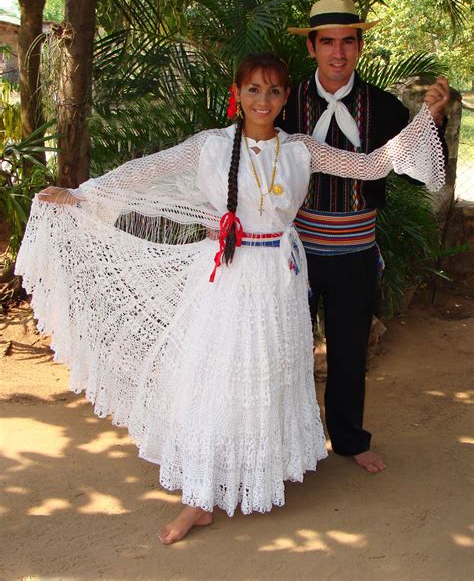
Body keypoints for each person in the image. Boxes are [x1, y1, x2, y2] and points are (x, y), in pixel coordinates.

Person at [16, 53, 446, 545]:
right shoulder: (211, 147)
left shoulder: (303, 148)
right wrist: (81, 194)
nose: (264, 101)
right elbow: (146, 171)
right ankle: (198, 499)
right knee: (214, 375)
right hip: (226, 275)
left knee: (269, 370)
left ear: (287, 99)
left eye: (275, 91)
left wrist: (425, 121)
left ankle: (254, 469)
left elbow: (371, 166)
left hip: (281, 278)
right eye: (254, 90)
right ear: (237, 94)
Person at [281, 0, 449, 473]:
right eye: (328, 42)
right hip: (292, 254)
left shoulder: (384, 106)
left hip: (355, 252)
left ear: (359, 45)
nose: (338, 52)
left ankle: (350, 440)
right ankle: (291, 442)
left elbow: (418, 173)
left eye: (348, 41)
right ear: (312, 47)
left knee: (350, 350)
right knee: (288, 348)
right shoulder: (284, 102)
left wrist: (431, 120)